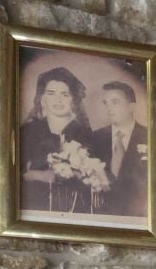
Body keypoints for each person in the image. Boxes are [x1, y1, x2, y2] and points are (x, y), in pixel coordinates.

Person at [18, 67, 98, 215]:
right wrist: (39, 175)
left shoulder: (85, 135)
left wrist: (75, 173)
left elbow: (96, 177)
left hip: (76, 208)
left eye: (65, 94)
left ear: (73, 100)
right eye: (51, 93)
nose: (58, 100)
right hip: (35, 206)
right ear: (43, 99)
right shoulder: (28, 131)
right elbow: (13, 174)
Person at [89, 80, 149, 218]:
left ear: (131, 106)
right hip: (101, 214)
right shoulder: (95, 137)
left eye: (115, 102)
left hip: (137, 216)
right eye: (106, 103)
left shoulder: (149, 136)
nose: (108, 108)